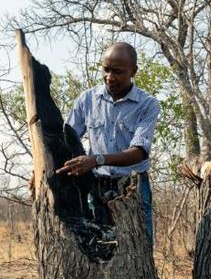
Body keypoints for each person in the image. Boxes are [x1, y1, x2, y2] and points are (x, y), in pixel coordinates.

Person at [56, 42, 160, 245]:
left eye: (118, 72)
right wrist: (39, 171)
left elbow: (139, 152)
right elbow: (65, 141)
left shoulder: (147, 105)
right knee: (98, 249)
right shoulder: (87, 100)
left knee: (140, 249)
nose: (110, 77)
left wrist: (96, 160)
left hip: (133, 189)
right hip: (96, 188)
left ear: (134, 71)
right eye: (106, 70)